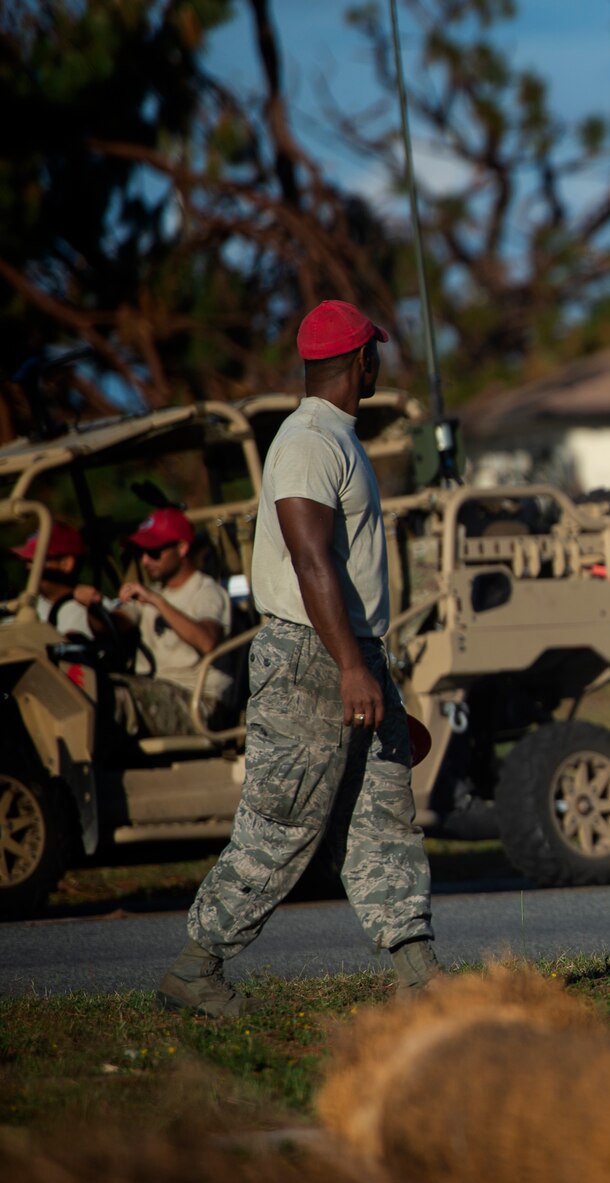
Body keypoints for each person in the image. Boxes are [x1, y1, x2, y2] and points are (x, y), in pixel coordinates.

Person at [156, 299, 438, 1017]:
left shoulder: (337, 437)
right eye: (377, 354)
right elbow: (311, 560)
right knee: (281, 826)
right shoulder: (310, 440)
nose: (380, 364)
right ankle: (196, 968)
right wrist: (348, 665)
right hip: (312, 655)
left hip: (349, 649)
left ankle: (419, 974)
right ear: (361, 363)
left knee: (381, 815)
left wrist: (371, 668)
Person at [107, 507, 230, 737]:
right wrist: (88, 606)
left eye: (153, 552)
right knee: (91, 685)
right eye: (141, 552)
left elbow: (206, 642)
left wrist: (158, 603)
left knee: (114, 694)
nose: (144, 561)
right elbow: (112, 626)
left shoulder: (206, 591)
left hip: (198, 702)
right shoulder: (149, 594)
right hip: (154, 693)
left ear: (182, 548)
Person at [8, 520, 99, 640]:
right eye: (27, 561)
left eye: (37, 561)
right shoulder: (23, 607)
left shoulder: (92, 609)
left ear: (66, 564)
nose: (28, 568)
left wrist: (95, 610)